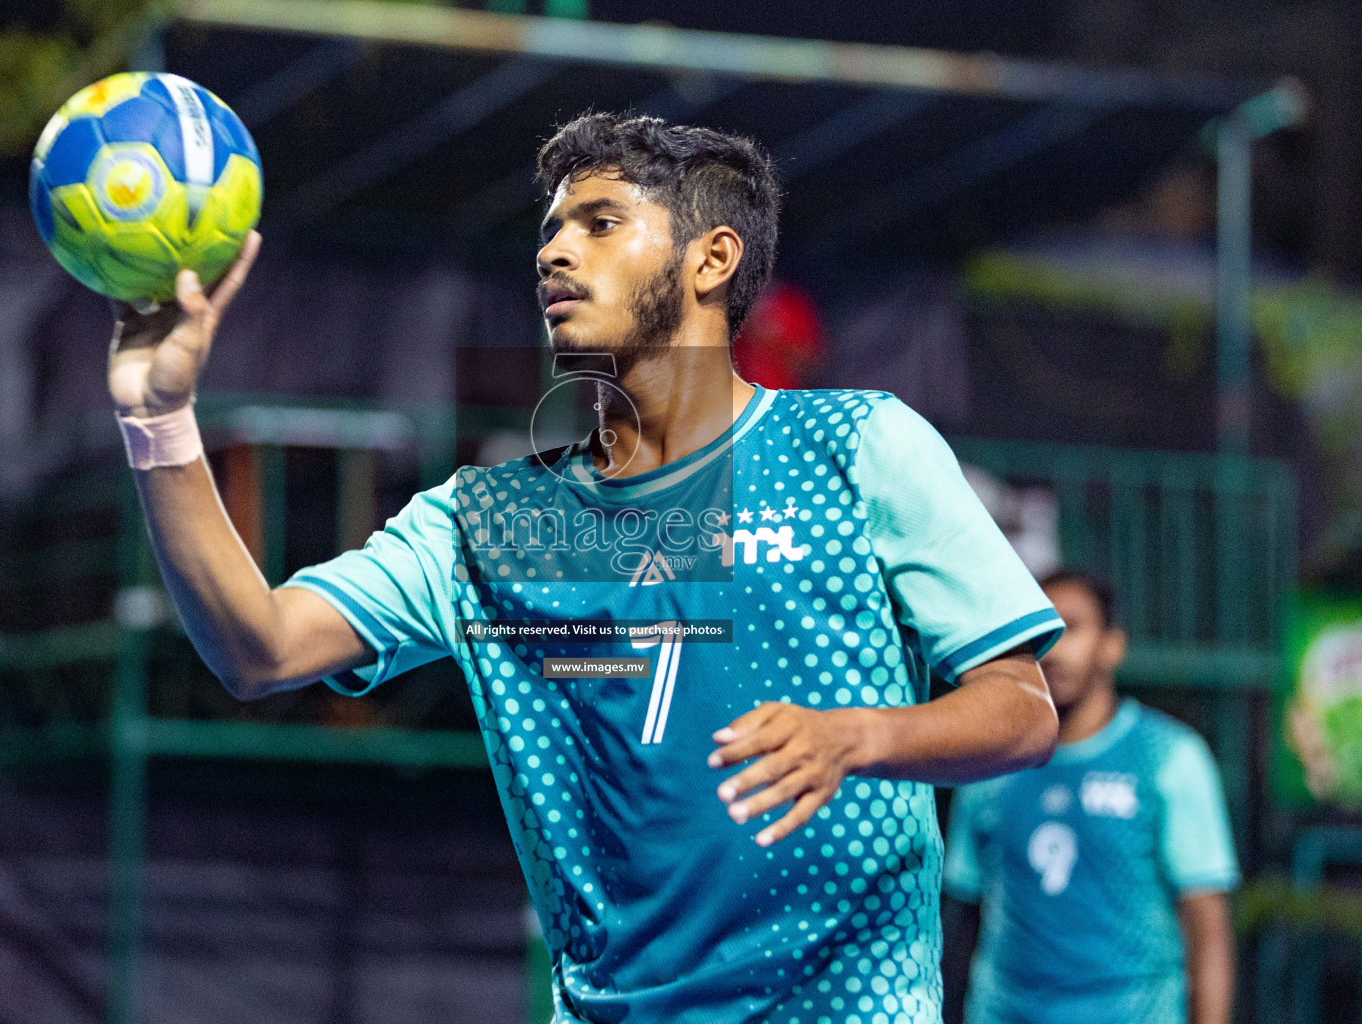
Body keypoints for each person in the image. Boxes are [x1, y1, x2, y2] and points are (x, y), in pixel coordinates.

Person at [108, 112, 1064, 1023]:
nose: (554, 252)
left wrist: (859, 738)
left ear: (711, 258)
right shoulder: (487, 524)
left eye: (600, 223)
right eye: (552, 229)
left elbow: (1021, 709)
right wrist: (158, 419)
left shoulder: (859, 445)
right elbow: (258, 647)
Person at [941, 570, 1239, 1024]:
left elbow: (1207, 923)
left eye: (1071, 629)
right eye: (1039, 636)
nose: (1053, 652)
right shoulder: (989, 766)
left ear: (1112, 645)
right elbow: (959, 918)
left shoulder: (1170, 757)